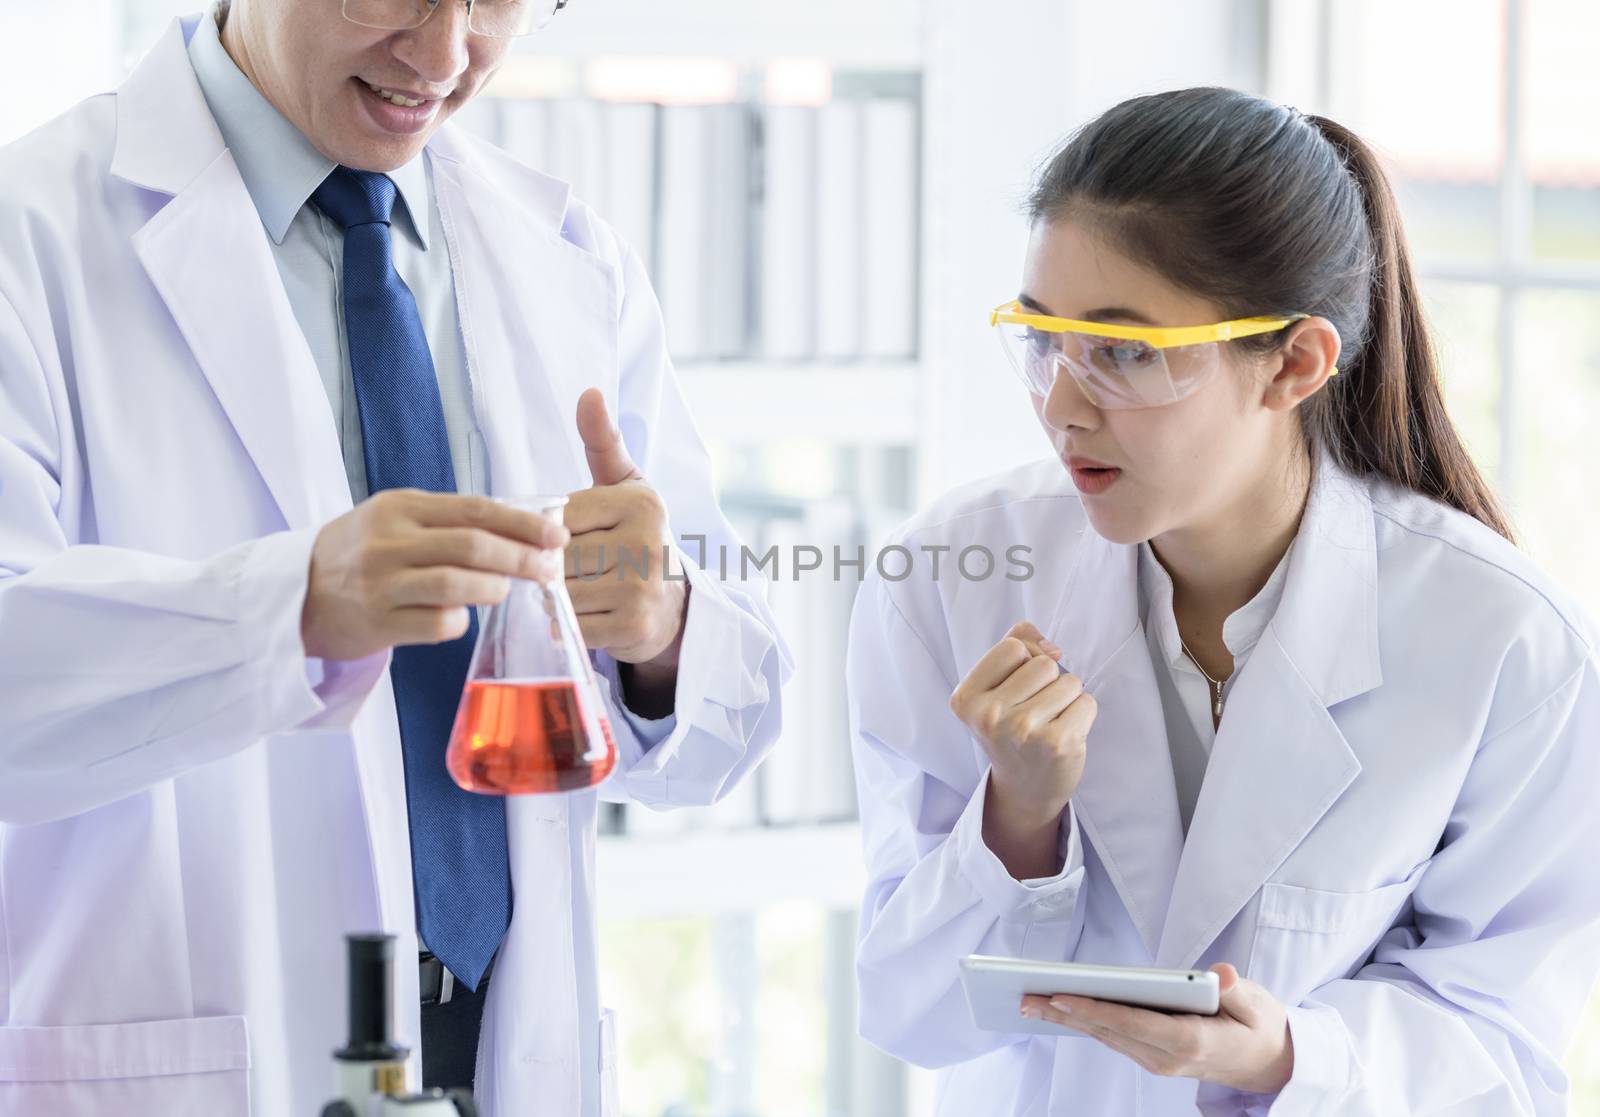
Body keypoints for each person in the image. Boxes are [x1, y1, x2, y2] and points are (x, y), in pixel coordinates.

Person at [0, 1, 789, 1114]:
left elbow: (728, 729)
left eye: (499, 2)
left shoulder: (564, 254)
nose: (445, 55)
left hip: (503, 1055)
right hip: (199, 1053)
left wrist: (659, 632)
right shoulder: (29, 235)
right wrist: (292, 610)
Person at [846, 87, 1600, 1115]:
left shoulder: (1504, 642)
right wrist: (1016, 819)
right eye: (1042, 340)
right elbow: (906, 1009)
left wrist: (1292, 1055)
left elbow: (1506, 1043)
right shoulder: (950, 575)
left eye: (1122, 352)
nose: (1061, 406)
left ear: (1294, 362)